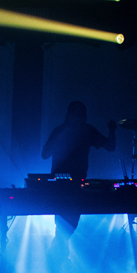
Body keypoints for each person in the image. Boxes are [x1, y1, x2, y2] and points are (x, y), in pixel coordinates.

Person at [41, 101, 117, 256]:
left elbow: (110, 147)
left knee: (66, 225)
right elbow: (45, 154)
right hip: (63, 184)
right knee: (66, 225)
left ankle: (57, 255)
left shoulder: (84, 130)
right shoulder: (72, 130)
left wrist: (111, 130)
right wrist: (111, 130)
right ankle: (58, 254)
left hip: (72, 184)